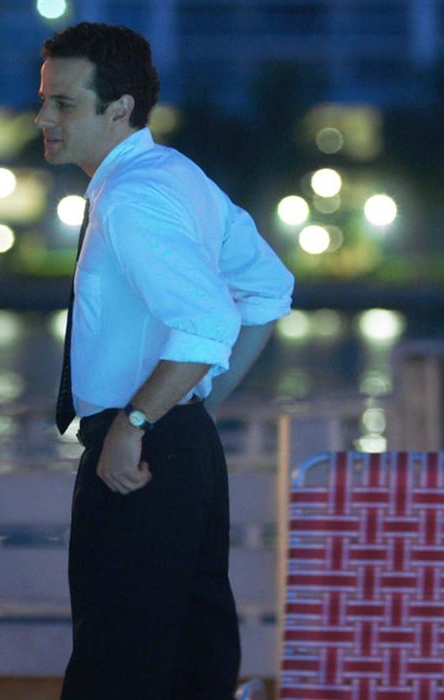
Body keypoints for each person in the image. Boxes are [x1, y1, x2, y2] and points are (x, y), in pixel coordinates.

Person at [36, 23, 294, 699]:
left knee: (116, 662)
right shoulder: (175, 175)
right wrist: (192, 400)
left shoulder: (133, 196)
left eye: (63, 103)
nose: (42, 117)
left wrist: (139, 420)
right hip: (178, 441)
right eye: (44, 100)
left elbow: (209, 318)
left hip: (141, 449)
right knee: (188, 656)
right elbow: (267, 291)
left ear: (118, 108)